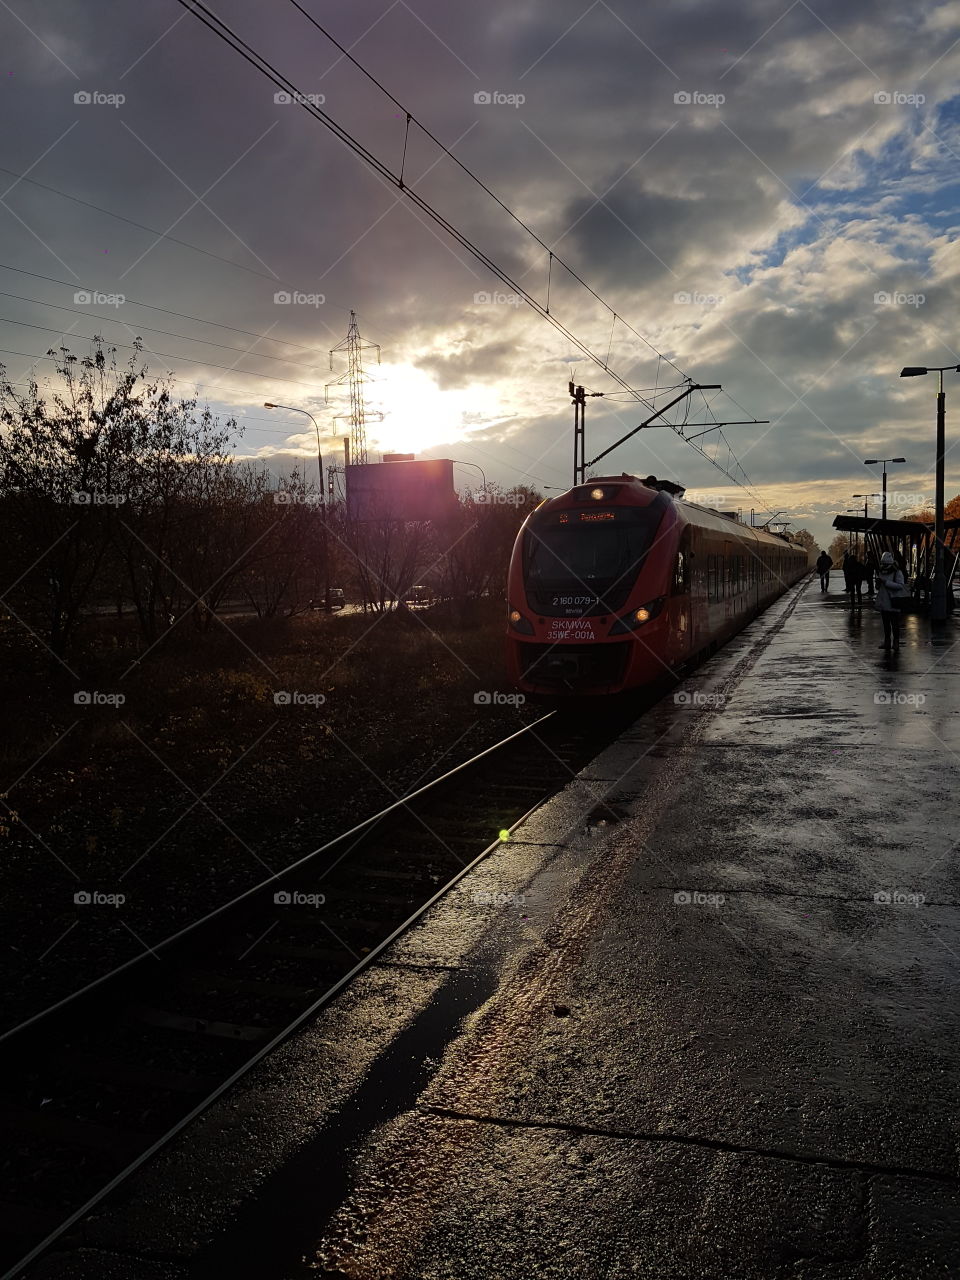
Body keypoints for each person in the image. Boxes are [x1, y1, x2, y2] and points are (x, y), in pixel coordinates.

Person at [875, 551, 907, 650]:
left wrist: (886, 582)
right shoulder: (881, 571)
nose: (884, 566)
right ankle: (887, 642)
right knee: (886, 625)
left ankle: (896, 642)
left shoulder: (897, 572)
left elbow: (900, 586)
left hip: (893, 602)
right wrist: (878, 584)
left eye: (885, 564)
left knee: (894, 624)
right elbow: (879, 587)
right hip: (885, 602)